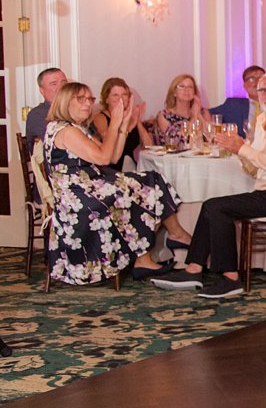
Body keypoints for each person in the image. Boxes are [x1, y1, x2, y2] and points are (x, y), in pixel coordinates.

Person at [149, 73, 266, 299]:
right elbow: (257, 168)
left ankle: (230, 278)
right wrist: (238, 150)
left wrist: (243, 149)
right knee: (210, 205)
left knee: (217, 207)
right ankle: (193, 270)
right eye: (263, 91)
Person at [42, 81, 184, 284]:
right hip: (79, 200)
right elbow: (103, 159)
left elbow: (114, 156)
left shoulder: (73, 128)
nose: (87, 104)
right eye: (80, 99)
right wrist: (115, 123)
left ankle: (149, 254)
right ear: (65, 102)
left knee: (147, 181)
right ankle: (168, 240)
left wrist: (124, 125)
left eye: (89, 99)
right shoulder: (66, 130)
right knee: (144, 186)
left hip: (88, 189)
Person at [91, 77, 155, 171]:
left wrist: (137, 121)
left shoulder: (131, 117)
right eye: (115, 95)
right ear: (106, 99)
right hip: (112, 169)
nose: (121, 99)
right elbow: (110, 150)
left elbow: (149, 147)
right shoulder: (100, 118)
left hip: (131, 167)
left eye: (124, 95)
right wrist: (128, 128)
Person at [209, 65, 265, 137]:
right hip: (244, 146)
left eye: (261, 78)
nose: (257, 82)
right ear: (245, 85)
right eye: (251, 79)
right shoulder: (234, 105)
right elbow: (207, 113)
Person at [154, 73, 207, 148]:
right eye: (181, 86)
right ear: (174, 92)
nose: (186, 90)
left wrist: (199, 114)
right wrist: (194, 117)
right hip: (175, 158)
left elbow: (212, 138)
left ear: (194, 92)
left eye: (190, 87)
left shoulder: (203, 112)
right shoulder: (164, 116)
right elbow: (180, 143)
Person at [26, 67, 68, 141]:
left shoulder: (74, 110)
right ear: (42, 91)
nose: (61, 87)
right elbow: (57, 141)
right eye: (54, 84)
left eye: (64, 83)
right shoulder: (37, 114)